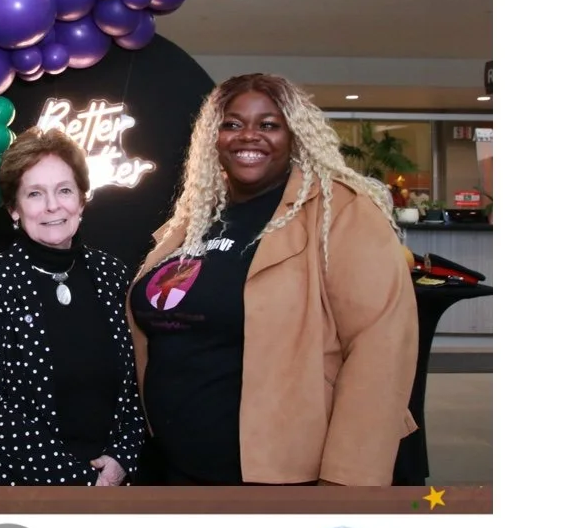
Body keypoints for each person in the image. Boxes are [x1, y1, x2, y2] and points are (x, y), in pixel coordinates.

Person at [128, 73, 417, 487]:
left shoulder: (342, 212)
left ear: (295, 136)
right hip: (174, 466)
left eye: (268, 124)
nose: (249, 136)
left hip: (283, 476)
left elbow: (381, 349)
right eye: (232, 123)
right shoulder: (194, 219)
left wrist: (347, 482)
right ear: (213, 137)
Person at [0, 128, 145, 485]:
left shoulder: (112, 275)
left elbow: (137, 385)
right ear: (13, 208)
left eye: (64, 190)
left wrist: (121, 459)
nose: (52, 206)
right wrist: (78, 479)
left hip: (111, 480)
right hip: (16, 487)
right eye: (34, 194)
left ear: (82, 200)